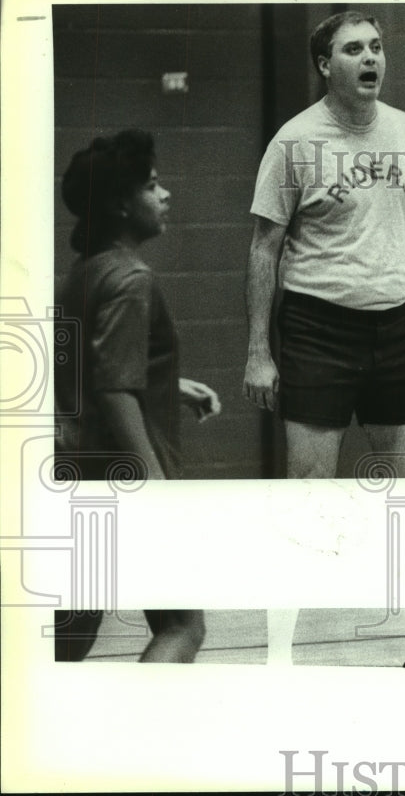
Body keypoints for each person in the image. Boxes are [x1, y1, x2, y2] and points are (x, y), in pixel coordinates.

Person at [242, 11, 405, 666]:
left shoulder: (404, 129)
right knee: (309, 500)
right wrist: (258, 349)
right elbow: (263, 247)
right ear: (324, 65)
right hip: (316, 328)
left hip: (394, 326)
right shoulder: (294, 141)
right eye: (353, 48)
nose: (370, 58)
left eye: (378, 46)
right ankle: (278, 658)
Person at [54, 129, 220, 662]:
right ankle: (133, 730)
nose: (165, 194)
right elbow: (114, 386)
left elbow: (97, 367)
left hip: (74, 471)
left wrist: (168, 384)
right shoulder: (132, 279)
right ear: (121, 205)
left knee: (70, 636)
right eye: (152, 186)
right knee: (182, 626)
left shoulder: (85, 273)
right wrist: (152, 485)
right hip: (123, 475)